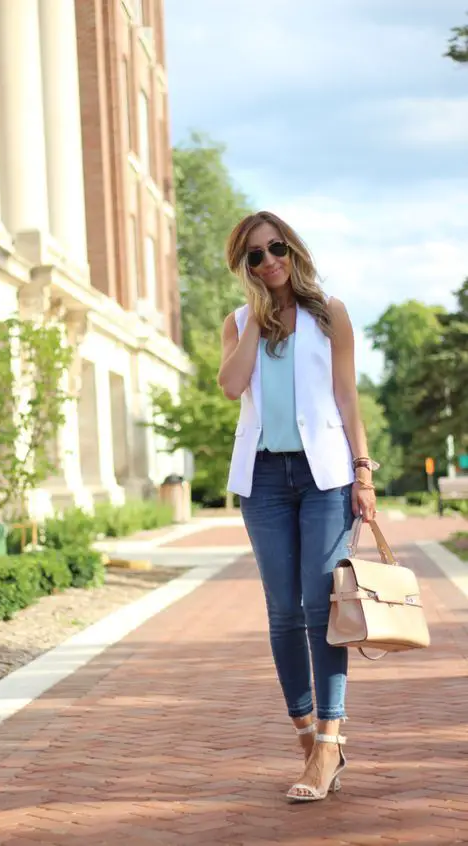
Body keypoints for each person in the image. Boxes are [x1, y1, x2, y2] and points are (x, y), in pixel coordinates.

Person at [218, 210, 377, 803]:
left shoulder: (329, 313)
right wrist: (257, 317)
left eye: (276, 248)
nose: (269, 261)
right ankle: (308, 737)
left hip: (324, 477)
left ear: (293, 249)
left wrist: (363, 471)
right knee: (283, 611)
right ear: (244, 267)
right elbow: (231, 386)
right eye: (254, 255)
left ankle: (330, 743)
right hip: (262, 479)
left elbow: (347, 396)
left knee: (320, 608)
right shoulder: (238, 323)